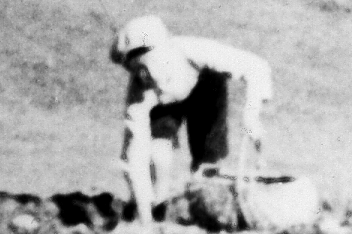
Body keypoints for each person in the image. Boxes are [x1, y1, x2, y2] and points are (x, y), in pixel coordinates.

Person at [110, 15, 273, 223]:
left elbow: (257, 67)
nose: (145, 76)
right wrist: (145, 217)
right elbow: (133, 157)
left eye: (149, 66)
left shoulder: (196, 51)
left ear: (166, 50)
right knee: (157, 157)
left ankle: (206, 194)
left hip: (204, 89)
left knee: (207, 169)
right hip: (165, 105)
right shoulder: (141, 92)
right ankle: (158, 205)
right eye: (138, 72)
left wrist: (251, 115)